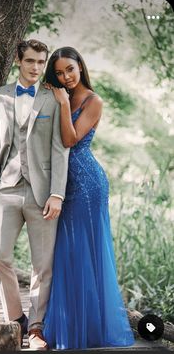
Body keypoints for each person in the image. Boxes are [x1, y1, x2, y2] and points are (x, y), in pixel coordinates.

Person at [42, 47, 135, 349]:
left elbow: (70, 140)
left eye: (69, 69)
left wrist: (63, 104)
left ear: (80, 66)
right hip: (61, 184)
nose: (65, 77)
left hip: (87, 186)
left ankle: (92, 330)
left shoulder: (93, 101)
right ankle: (72, 325)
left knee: (85, 252)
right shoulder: (56, 96)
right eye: (58, 72)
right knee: (67, 254)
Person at [0, 39, 69, 350]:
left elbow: (60, 149)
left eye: (40, 62)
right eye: (30, 61)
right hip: (6, 189)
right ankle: (15, 318)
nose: (36, 67)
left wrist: (57, 193)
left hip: (43, 192)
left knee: (42, 265)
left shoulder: (53, 98)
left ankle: (36, 328)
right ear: (18, 61)